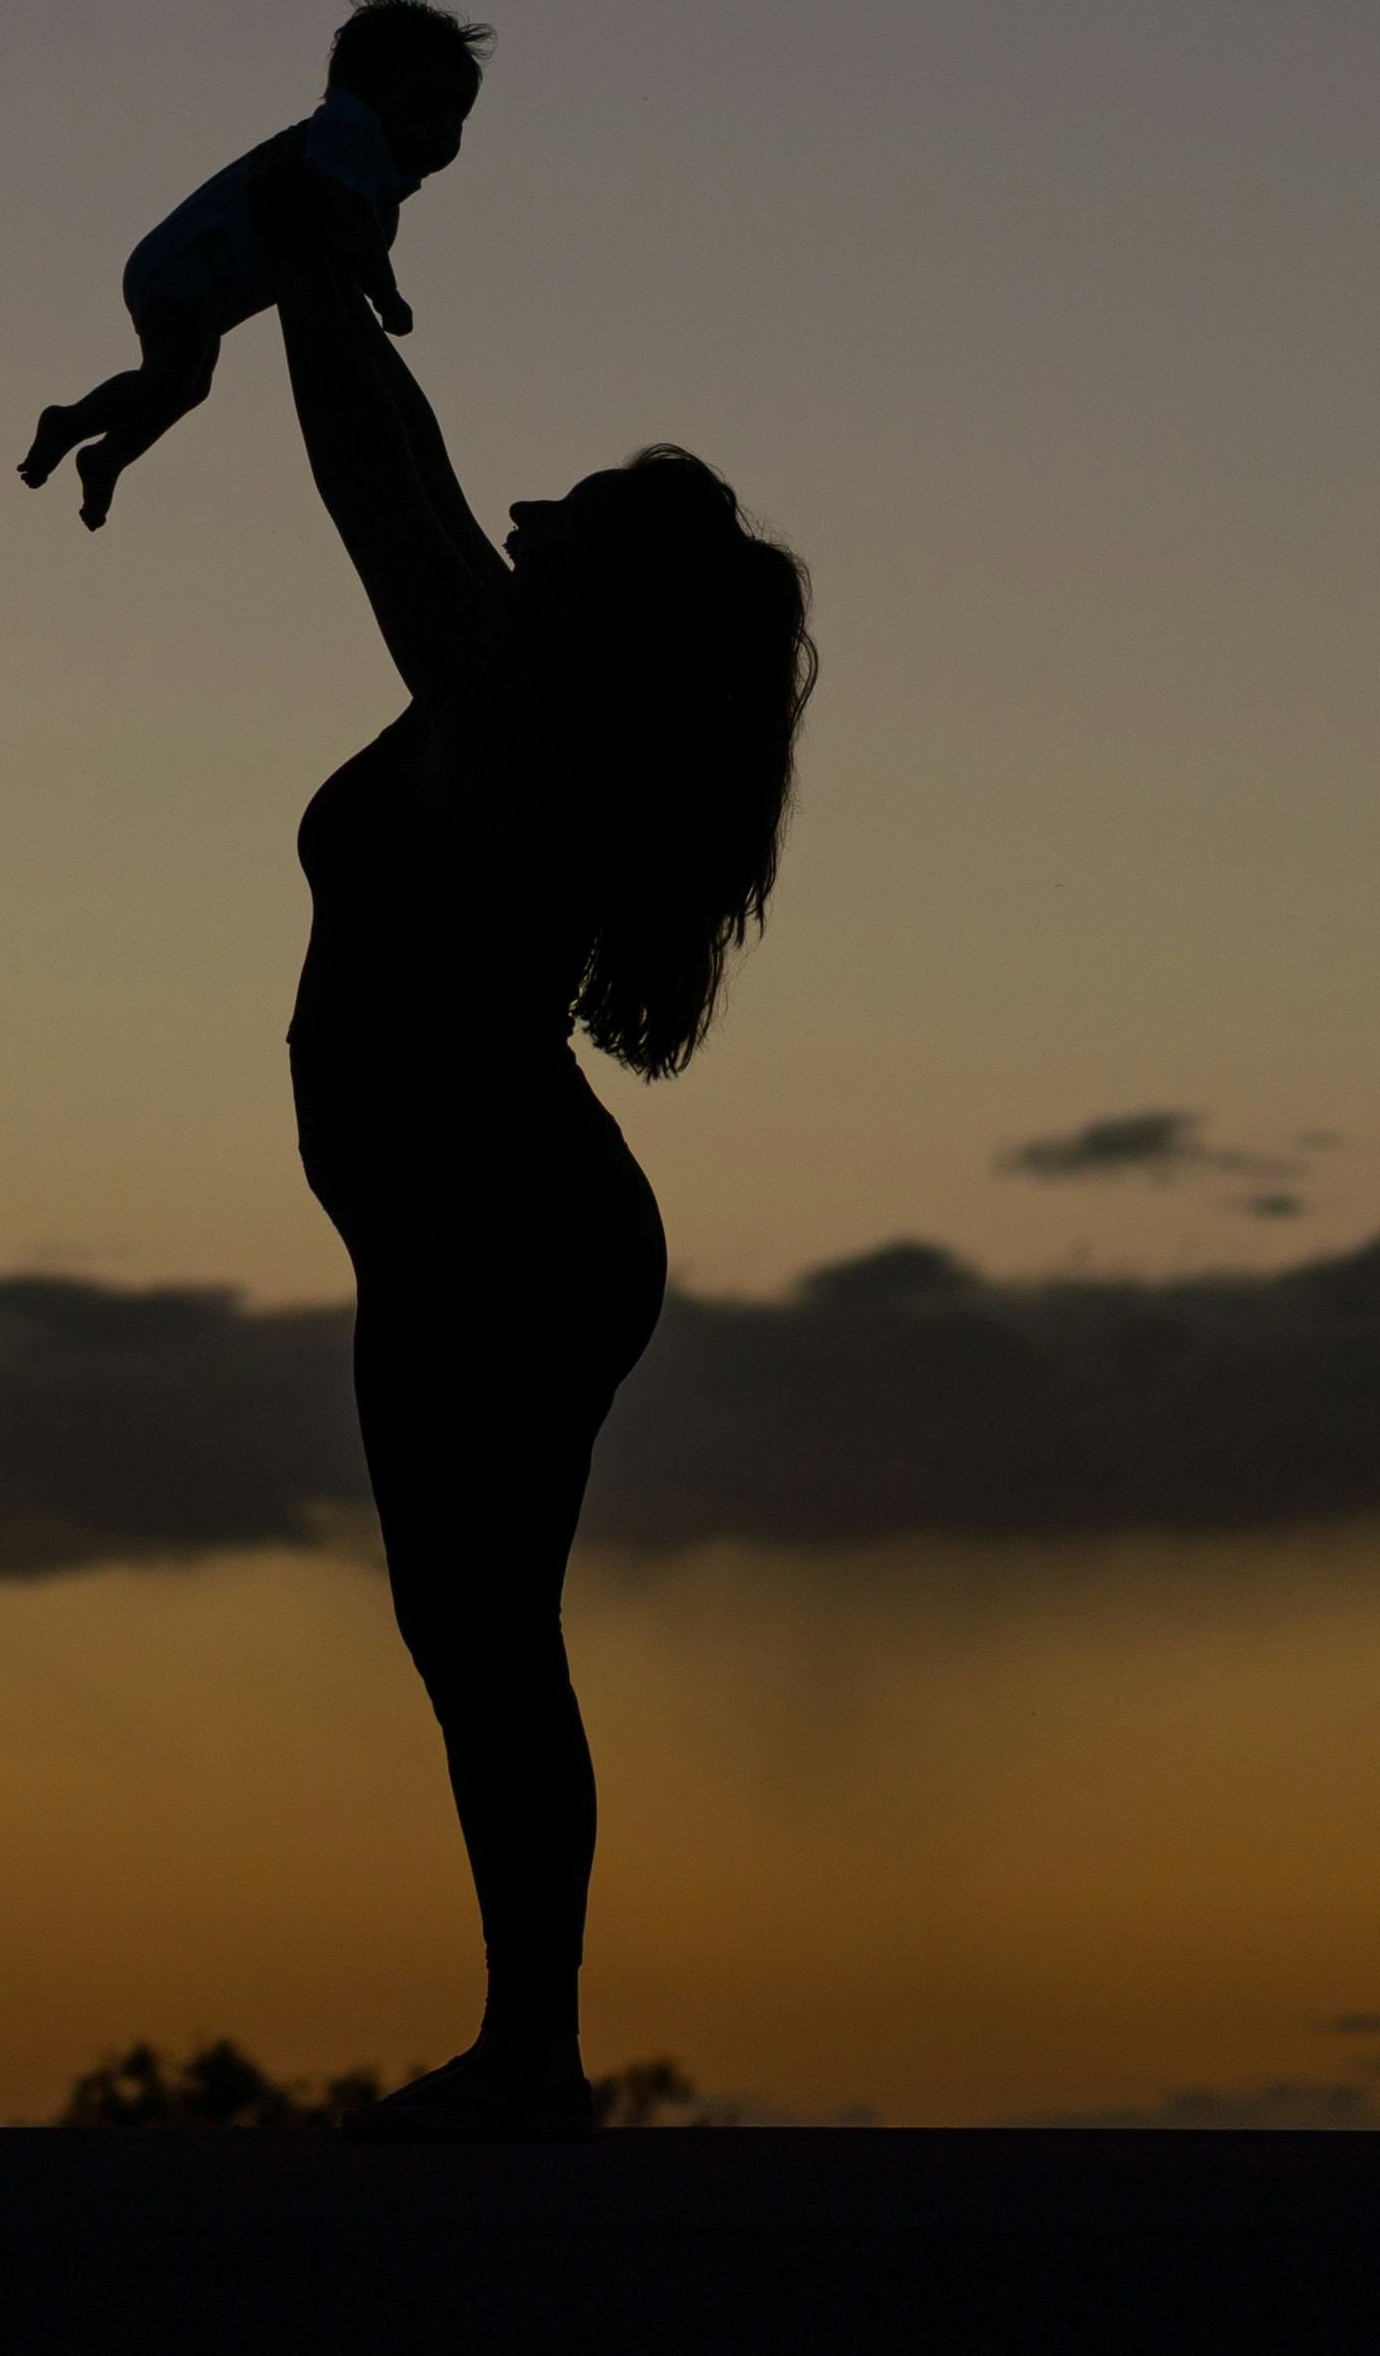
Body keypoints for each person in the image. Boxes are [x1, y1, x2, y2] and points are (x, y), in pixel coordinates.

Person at [246, 124, 817, 2140]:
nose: (525, 510)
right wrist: (337, 279)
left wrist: (311, 280)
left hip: (505, 1233)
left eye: (565, 513)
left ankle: (530, 2054)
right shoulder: (515, 696)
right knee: (474, 1629)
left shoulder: (514, 719)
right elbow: (409, 464)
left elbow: (372, 500)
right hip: (486, 1229)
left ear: (613, 600)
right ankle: (529, 2045)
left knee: (479, 1632)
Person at [16, 0, 485, 530]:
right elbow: (354, 229)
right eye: (426, 107)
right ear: (363, 89)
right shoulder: (345, 134)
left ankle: (106, 456)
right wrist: (388, 296)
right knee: (171, 379)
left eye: (457, 117)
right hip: (186, 269)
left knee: (188, 387)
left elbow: (358, 233)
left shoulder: (373, 175)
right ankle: (69, 423)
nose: (444, 132)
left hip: (204, 284)